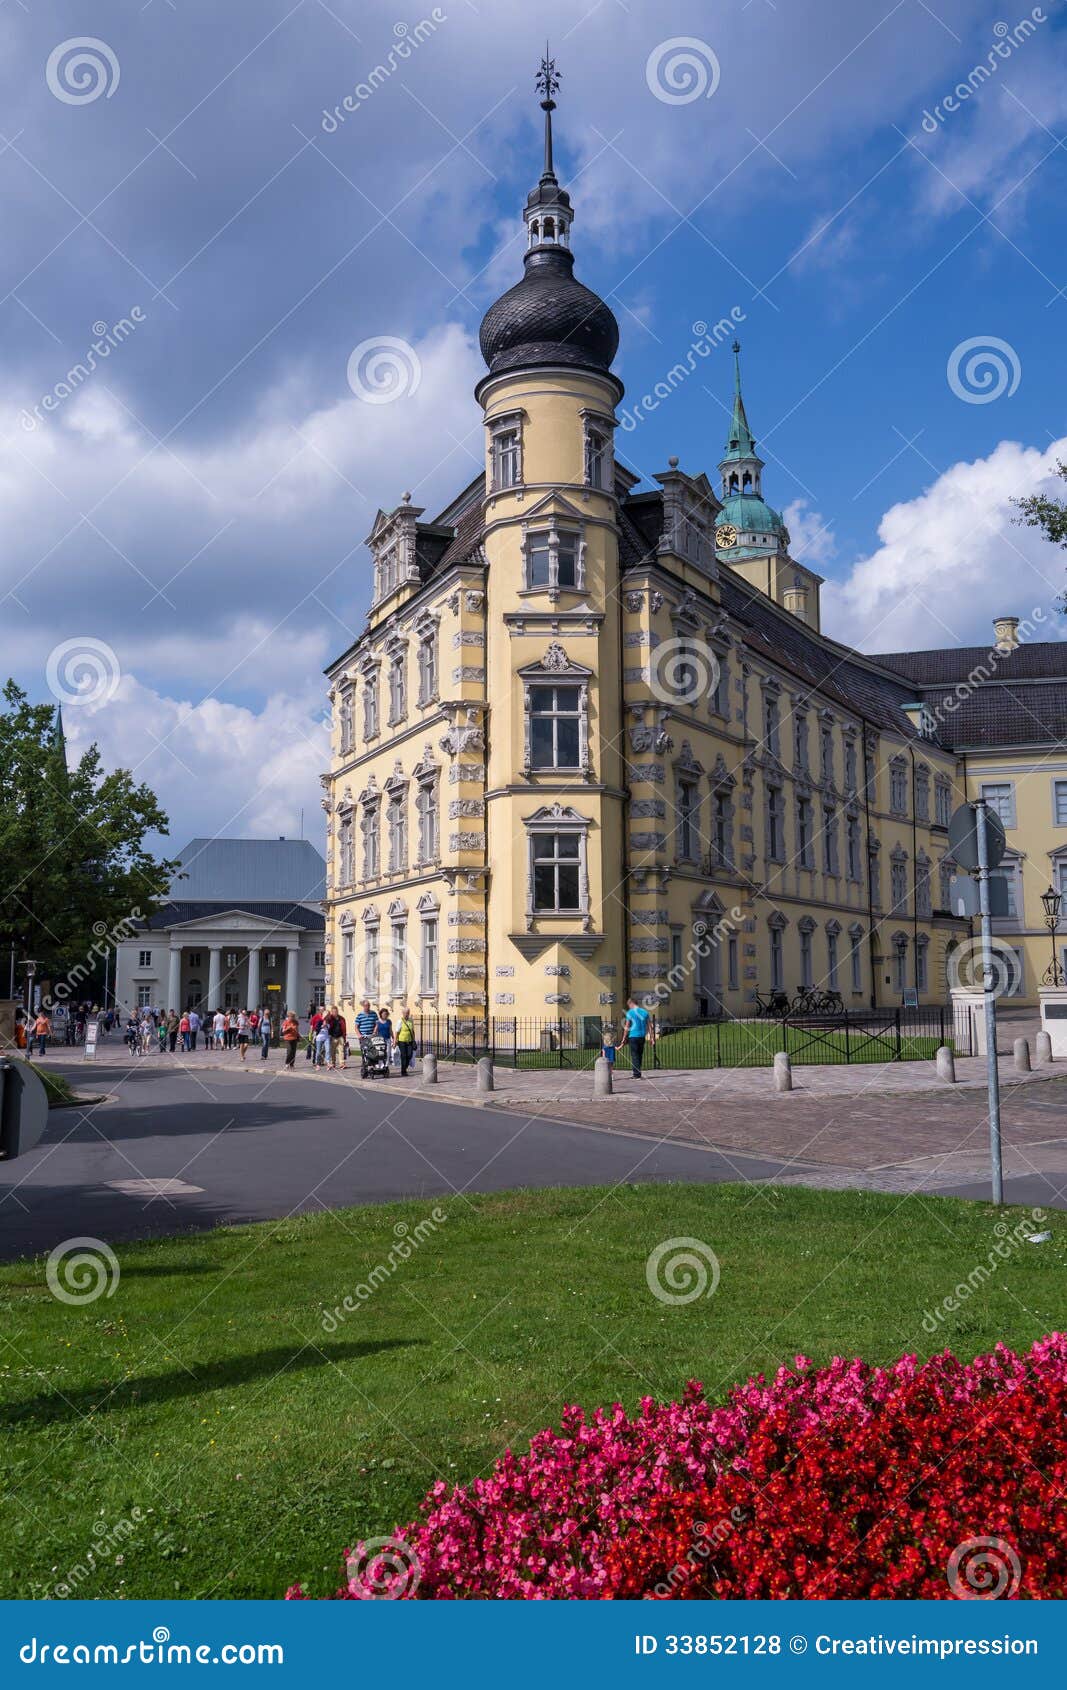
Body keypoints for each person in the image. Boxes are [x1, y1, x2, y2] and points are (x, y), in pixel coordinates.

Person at [621, 997, 652, 1078]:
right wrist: (652, 1038)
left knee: (634, 1055)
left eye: (629, 1005)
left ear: (631, 1003)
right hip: (642, 1036)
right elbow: (650, 1026)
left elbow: (627, 1027)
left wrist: (624, 1038)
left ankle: (636, 1074)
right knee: (639, 1054)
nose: (629, 1007)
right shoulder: (645, 1012)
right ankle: (638, 1070)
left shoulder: (630, 1013)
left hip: (633, 1036)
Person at [395, 1007, 416, 1076]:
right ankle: (403, 1071)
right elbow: (397, 1032)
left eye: (408, 1013)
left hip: (409, 1041)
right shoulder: (400, 1021)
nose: (406, 1014)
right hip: (402, 1041)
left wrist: (413, 1039)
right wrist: (395, 1040)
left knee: (409, 1055)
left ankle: (405, 1067)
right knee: (403, 1056)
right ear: (403, 1013)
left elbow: (412, 1031)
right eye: (405, 1013)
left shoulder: (411, 1020)